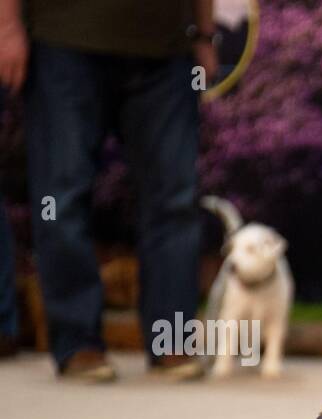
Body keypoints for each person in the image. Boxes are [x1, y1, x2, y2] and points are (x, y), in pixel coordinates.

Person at [0, 0, 218, 381]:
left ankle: (172, 341)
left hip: (168, 46)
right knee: (60, 200)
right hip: (63, 39)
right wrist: (6, 27)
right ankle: (77, 343)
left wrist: (203, 34)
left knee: (175, 200)